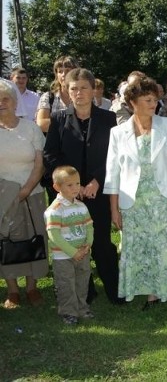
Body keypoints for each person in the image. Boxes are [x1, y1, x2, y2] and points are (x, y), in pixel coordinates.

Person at [104, 76, 167, 309]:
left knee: (165, 247)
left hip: (163, 198)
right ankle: (151, 294)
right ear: (132, 102)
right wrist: (114, 210)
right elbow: (112, 175)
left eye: (155, 99)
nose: (153, 104)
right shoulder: (117, 133)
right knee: (140, 248)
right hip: (133, 201)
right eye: (147, 99)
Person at [43, 68, 121, 305]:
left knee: (101, 244)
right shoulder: (58, 119)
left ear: (93, 89)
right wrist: (69, 185)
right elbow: (50, 154)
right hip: (69, 195)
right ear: (67, 90)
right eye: (73, 88)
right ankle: (84, 291)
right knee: (73, 241)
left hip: (98, 190)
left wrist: (97, 180)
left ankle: (115, 291)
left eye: (83, 88)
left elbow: (115, 155)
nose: (78, 93)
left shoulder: (108, 119)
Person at [0, 79, 47, 309]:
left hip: (32, 194)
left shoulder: (30, 128)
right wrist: (9, 194)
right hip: (2, 198)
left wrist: (26, 189)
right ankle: (12, 291)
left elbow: (40, 163)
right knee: (6, 241)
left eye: (5, 98)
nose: (1, 103)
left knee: (34, 239)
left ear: (14, 101)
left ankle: (31, 287)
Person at [44, 166, 94, 325]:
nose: (75, 188)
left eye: (77, 183)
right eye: (69, 185)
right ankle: (68, 312)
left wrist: (88, 244)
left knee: (82, 282)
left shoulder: (81, 206)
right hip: (63, 256)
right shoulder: (54, 210)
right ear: (57, 187)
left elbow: (89, 227)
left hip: (82, 253)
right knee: (66, 285)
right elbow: (54, 235)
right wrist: (72, 252)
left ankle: (82, 308)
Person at [36, 55, 80, 133]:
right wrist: (72, 124)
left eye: (67, 70)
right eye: (60, 71)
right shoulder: (48, 97)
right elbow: (41, 124)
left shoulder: (83, 95)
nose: (63, 75)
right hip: (55, 143)